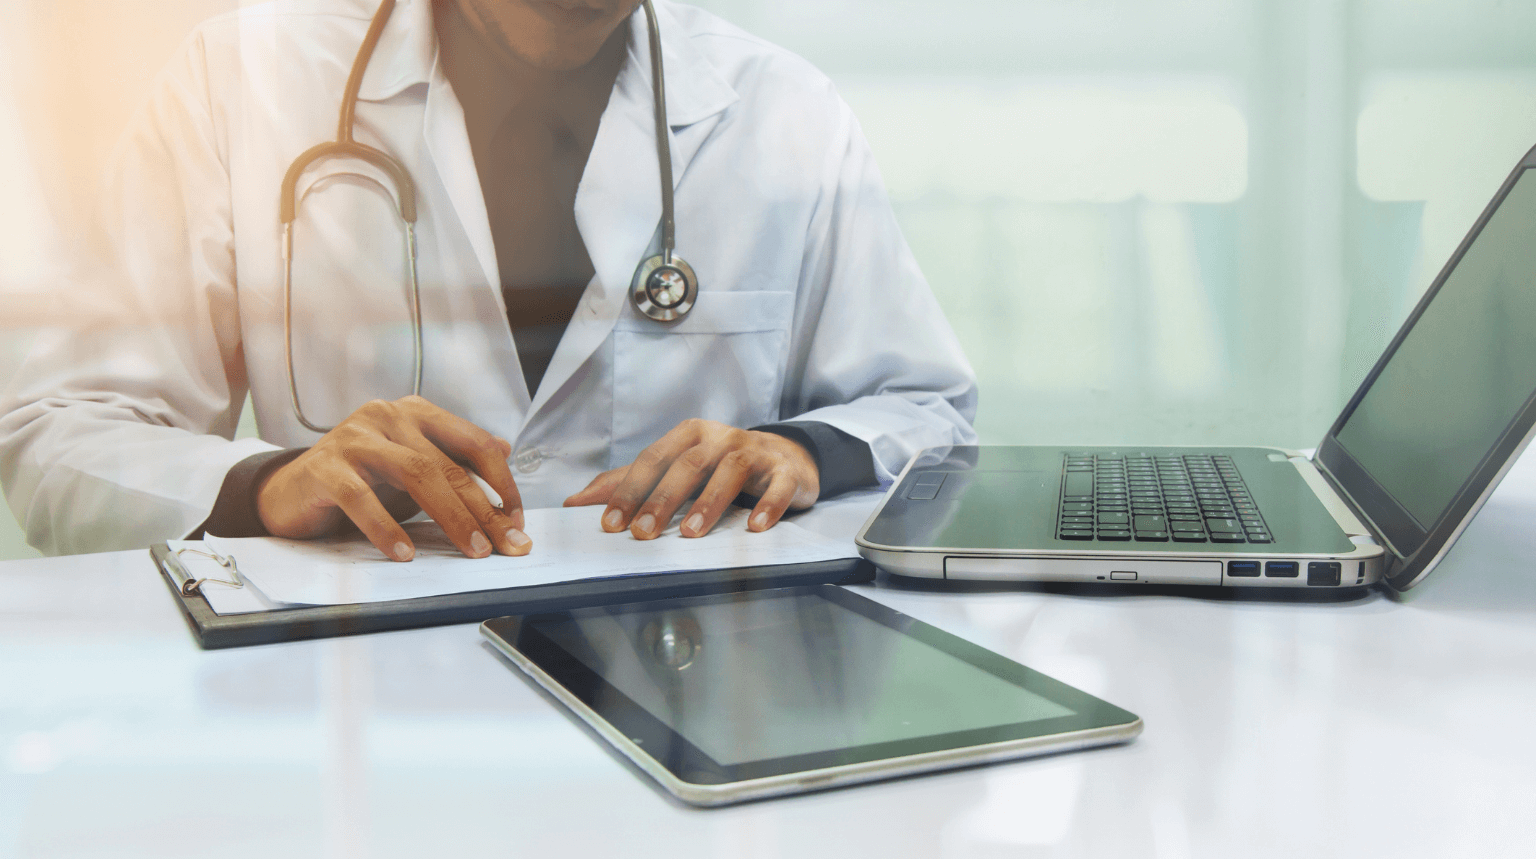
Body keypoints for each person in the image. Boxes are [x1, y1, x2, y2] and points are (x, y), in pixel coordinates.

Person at [0, 0, 976, 560]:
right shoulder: (240, 76)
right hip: (354, 684)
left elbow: (928, 407)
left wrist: (806, 449)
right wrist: (267, 485)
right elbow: (58, 431)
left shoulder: (785, 111)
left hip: (697, 681)